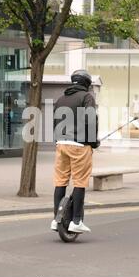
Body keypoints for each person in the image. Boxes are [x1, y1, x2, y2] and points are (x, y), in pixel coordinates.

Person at [51, 70, 100, 234]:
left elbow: (55, 122)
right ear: (86, 83)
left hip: (61, 144)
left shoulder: (61, 98)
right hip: (79, 145)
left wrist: (58, 141)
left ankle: (55, 219)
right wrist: (93, 142)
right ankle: (76, 221)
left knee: (60, 181)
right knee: (80, 181)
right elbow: (90, 120)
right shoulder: (87, 97)